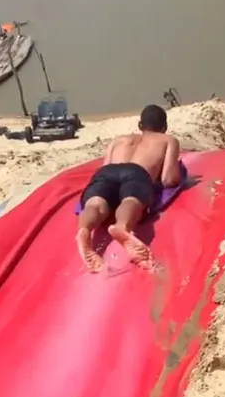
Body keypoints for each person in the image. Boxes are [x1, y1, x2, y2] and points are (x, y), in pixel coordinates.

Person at [76, 104, 181, 272]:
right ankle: (123, 227)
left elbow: (104, 167)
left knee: (95, 204)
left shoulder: (118, 141)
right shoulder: (168, 140)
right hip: (137, 172)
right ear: (165, 127)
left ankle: (84, 230)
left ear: (140, 126)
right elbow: (168, 179)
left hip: (106, 173)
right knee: (131, 199)